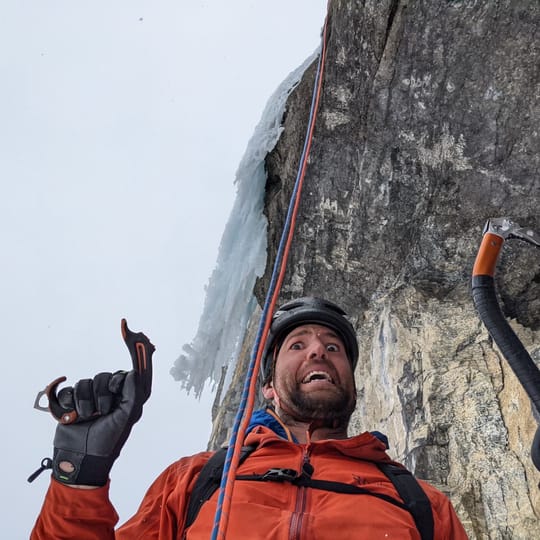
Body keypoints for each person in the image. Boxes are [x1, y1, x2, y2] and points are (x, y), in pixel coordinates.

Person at [31, 297, 468, 539]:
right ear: (269, 390)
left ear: (352, 384)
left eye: (333, 348)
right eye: (298, 345)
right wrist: (78, 477)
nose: (318, 350)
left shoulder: (420, 501)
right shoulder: (196, 480)